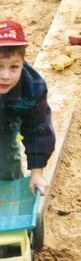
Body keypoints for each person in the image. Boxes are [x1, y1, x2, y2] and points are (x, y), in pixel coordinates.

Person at [0, 20, 55, 195]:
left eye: (14, 67)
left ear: (23, 63)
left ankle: (9, 196)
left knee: (6, 161)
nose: (5, 76)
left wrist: (37, 172)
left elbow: (38, 129)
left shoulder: (33, 89)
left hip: (6, 123)